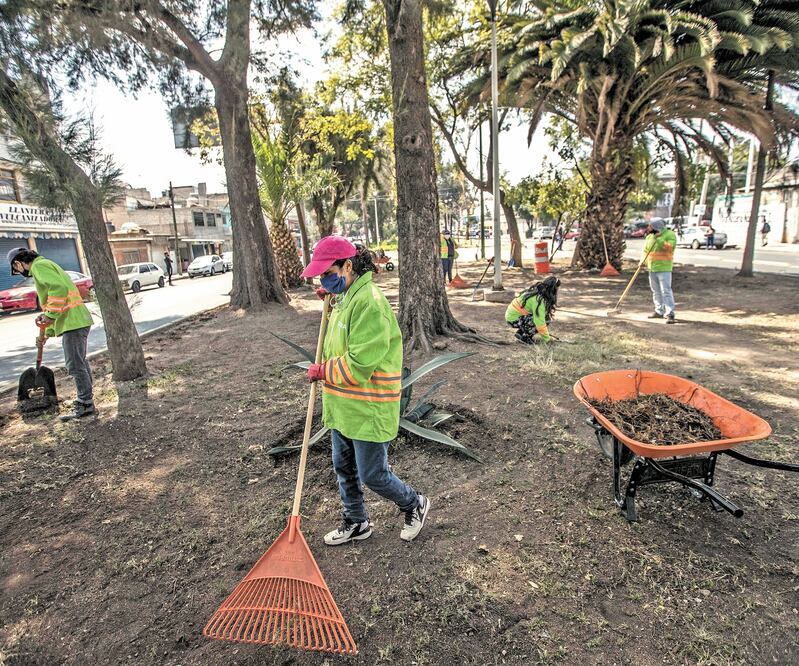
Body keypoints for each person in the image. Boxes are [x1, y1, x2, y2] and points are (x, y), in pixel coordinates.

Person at [301, 235, 430, 545]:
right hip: (344, 405)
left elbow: (359, 365)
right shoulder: (348, 297)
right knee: (343, 467)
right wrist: (333, 301)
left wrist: (323, 371)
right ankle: (356, 521)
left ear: (348, 266)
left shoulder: (369, 303)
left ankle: (414, 503)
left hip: (367, 405)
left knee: (373, 474)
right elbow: (343, 336)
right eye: (321, 276)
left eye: (329, 274)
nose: (325, 280)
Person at [7, 247, 96, 421]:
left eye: (15, 269)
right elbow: (54, 302)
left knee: (75, 365)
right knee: (80, 362)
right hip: (76, 321)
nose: (18, 271)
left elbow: (58, 290)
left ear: (18, 263)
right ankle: (86, 400)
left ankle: (85, 404)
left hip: (74, 323)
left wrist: (49, 315)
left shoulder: (39, 267)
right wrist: (46, 332)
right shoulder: (45, 264)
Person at [505, 276, 560, 344]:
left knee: (545, 317)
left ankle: (521, 333)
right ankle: (525, 338)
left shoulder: (536, 291)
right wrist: (547, 339)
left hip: (512, 316)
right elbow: (540, 322)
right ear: (553, 290)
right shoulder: (539, 300)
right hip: (513, 319)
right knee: (543, 320)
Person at [644, 218, 677, 324]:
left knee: (666, 291)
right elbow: (645, 251)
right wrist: (642, 261)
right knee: (656, 291)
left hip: (664, 268)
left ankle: (670, 314)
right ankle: (659, 311)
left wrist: (659, 239)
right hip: (652, 267)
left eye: (650, 226)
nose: (648, 228)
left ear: (656, 226)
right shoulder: (649, 236)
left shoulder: (669, 234)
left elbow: (670, 248)